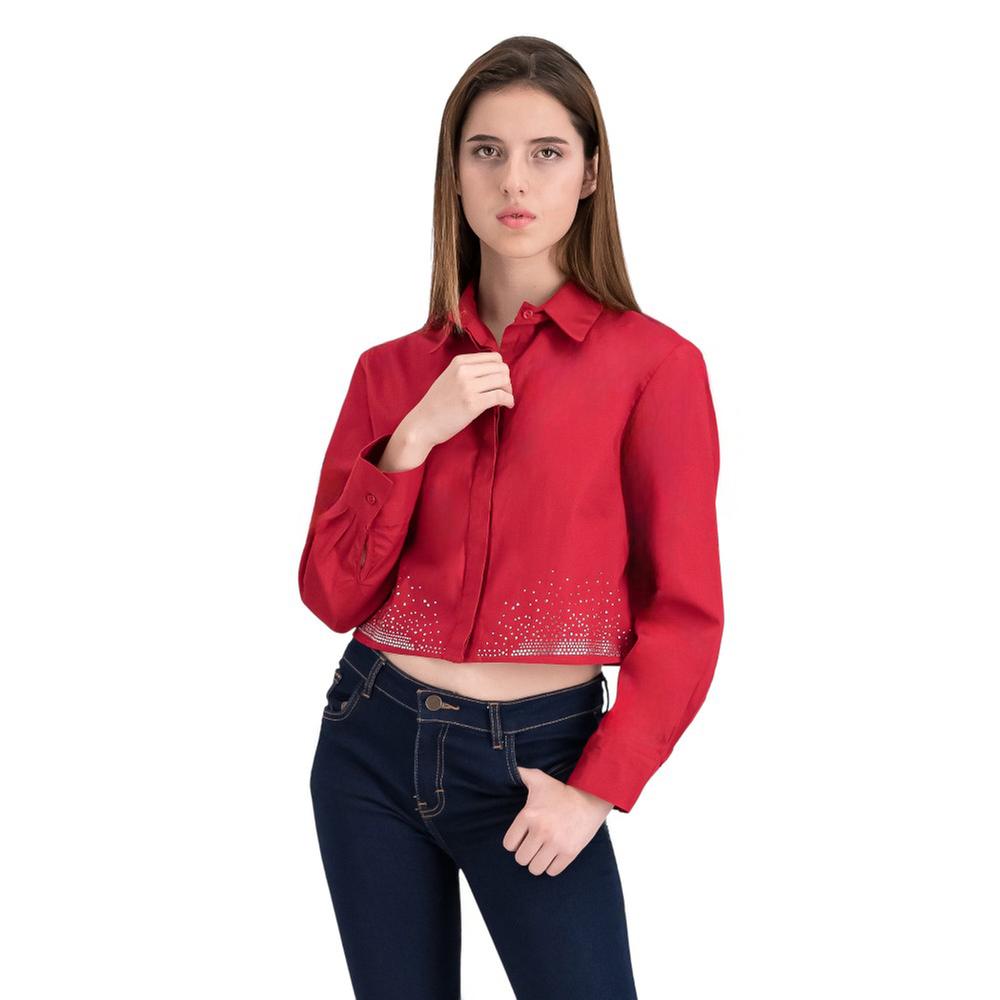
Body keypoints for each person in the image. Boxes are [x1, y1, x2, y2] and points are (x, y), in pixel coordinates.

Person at [299, 35, 724, 1000]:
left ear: (590, 172)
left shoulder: (655, 368)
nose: (514, 180)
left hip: (540, 763)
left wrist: (597, 789)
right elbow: (331, 594)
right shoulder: (391, 374)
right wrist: (413, 438)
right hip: (369, 741)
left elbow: (686, 612)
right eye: (486, 151)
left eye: (546, 152)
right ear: (454, 174)